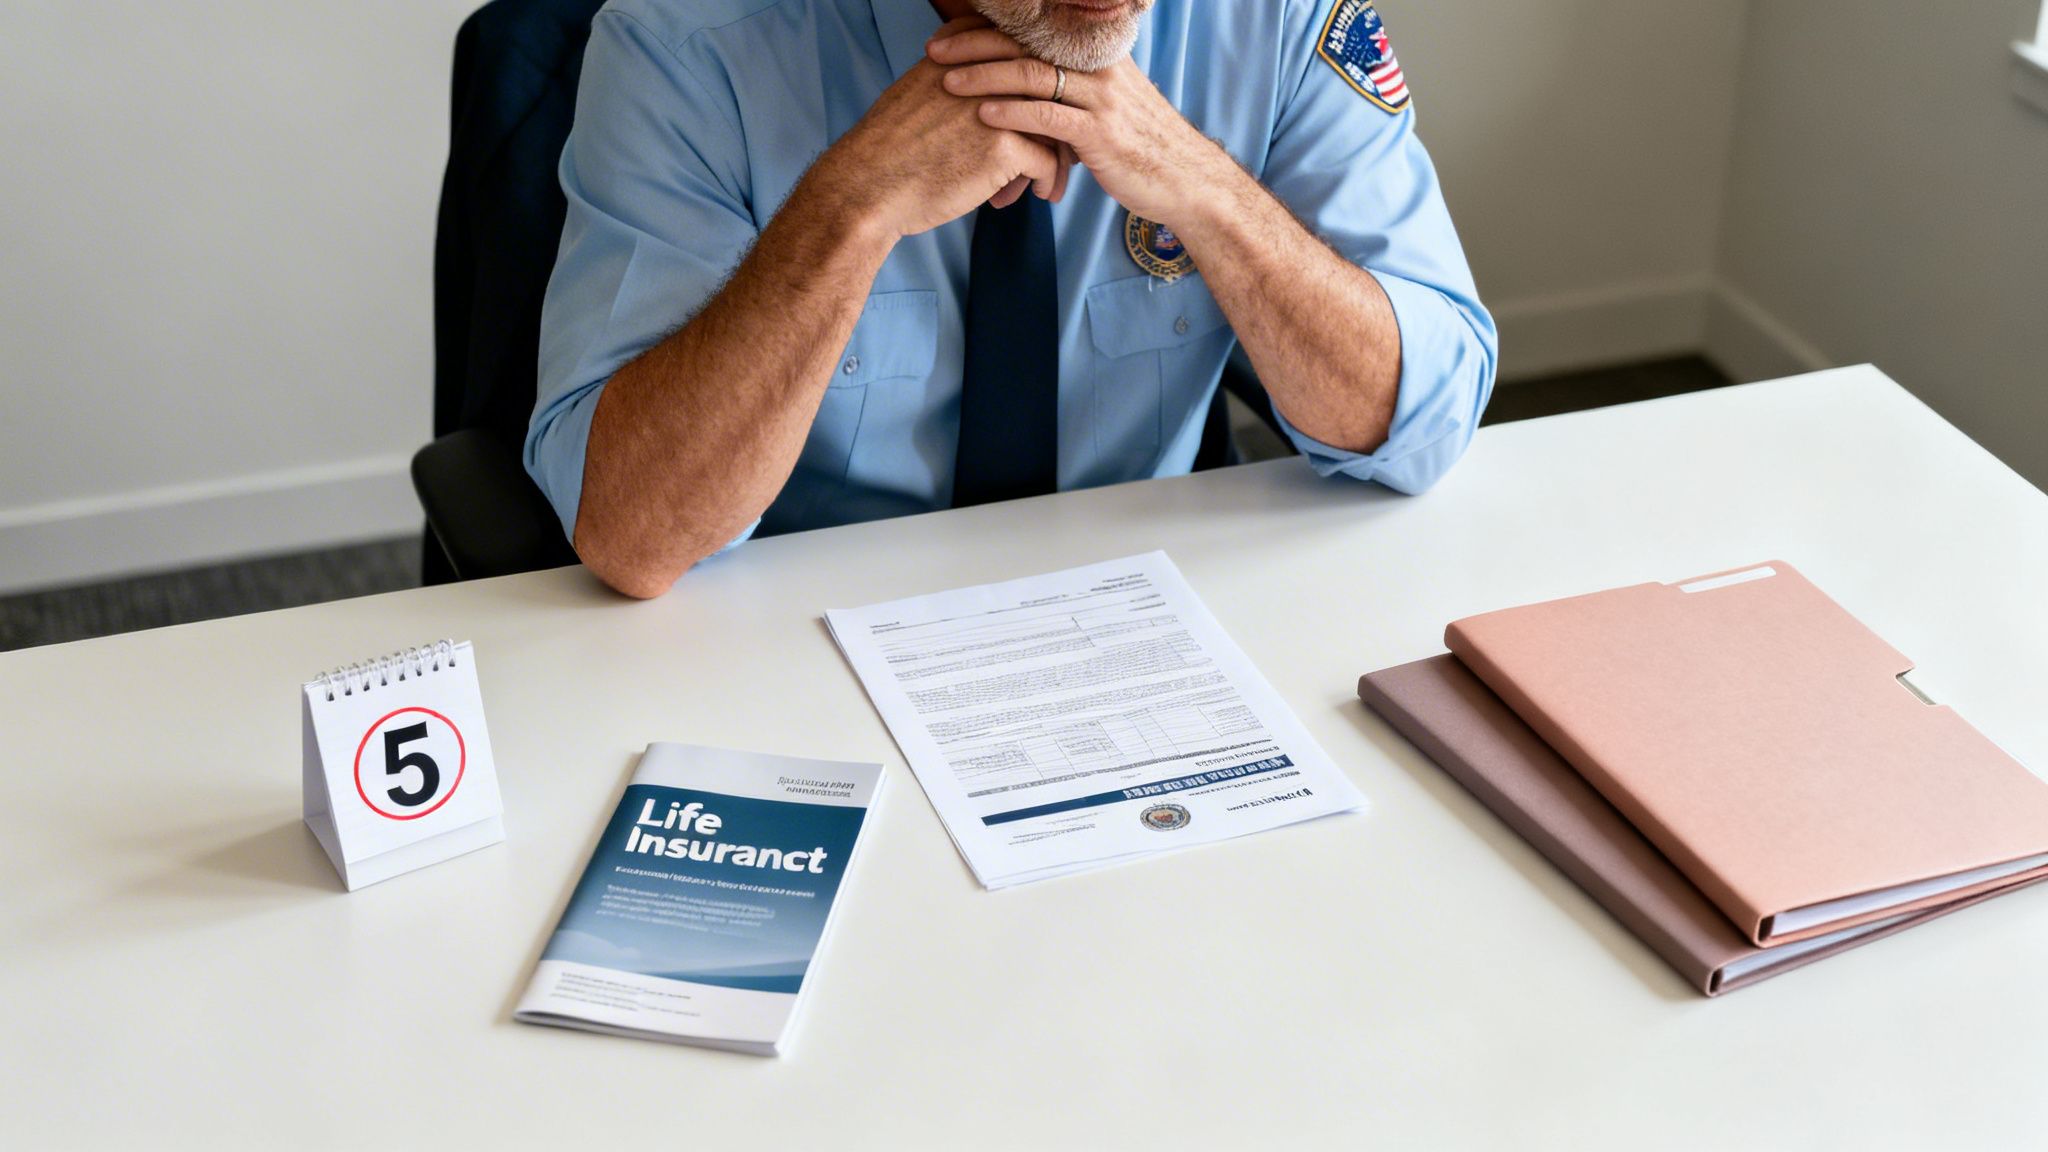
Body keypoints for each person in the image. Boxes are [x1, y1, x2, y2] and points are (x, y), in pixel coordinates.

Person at [528, 0, 1496, 598]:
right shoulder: (683, 45)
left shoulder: (1277, 18)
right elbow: (632, 534)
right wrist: (847, 211)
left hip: (1158, 607)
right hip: (803, 627)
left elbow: (1421, 421)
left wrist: (1200, 188)